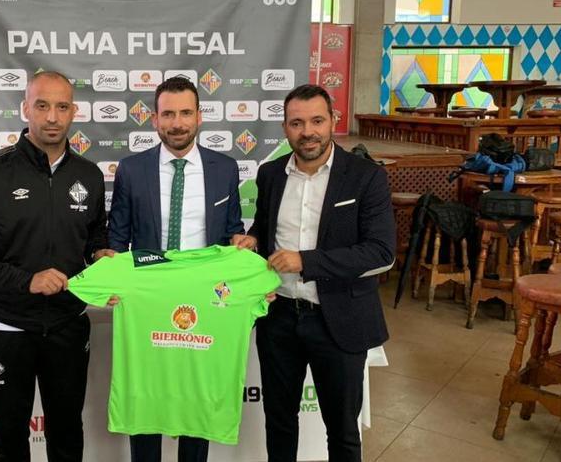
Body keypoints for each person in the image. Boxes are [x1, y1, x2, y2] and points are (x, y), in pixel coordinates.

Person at [0, 71, 113, 462]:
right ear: (25, 109)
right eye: (42, 106)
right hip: (5, 325)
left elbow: (93, 239)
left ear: (74, 111)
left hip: (68, 324)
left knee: (68, 432)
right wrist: (27, 281)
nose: (52, 117)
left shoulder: (88, 175)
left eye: (61, 106)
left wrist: (101, 256)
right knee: (8, 438)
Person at [233, 84, 395, 462]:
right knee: (280, 423)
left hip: (340, 319)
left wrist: (307, 261)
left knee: (342, 431)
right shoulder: (270, 173)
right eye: (297, 123)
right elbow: (265, 225)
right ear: (285, 128)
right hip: (280, 319)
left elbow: (381, 252)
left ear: (333, 121)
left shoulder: (365, 177)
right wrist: (253, 240)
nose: (308, 131)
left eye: (317, 120)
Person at [107, 76, 246, 462]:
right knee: (147, 398)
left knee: (195, 398)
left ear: (200, 116)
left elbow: (233, 230)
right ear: (154, 119)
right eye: (168, 113)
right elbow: (117, 238)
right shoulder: (132, 170)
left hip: (204, 305)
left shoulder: (225, 169)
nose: (178, 123)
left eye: (186, 112)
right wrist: (114, 282)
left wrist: (246, 265)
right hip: (149, 303)